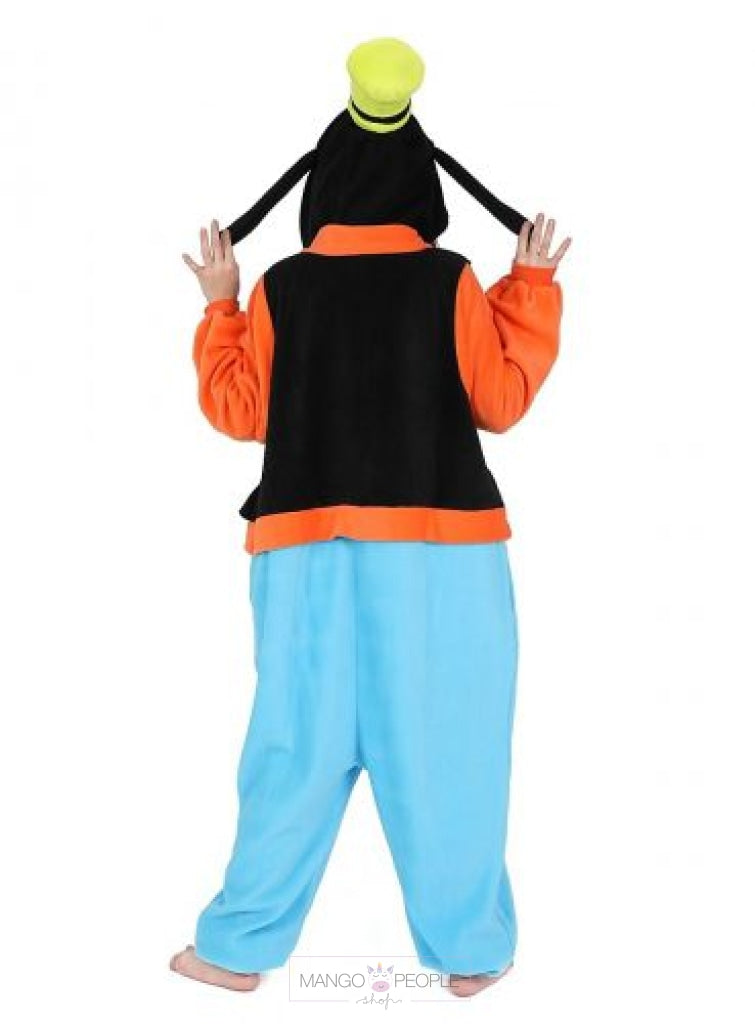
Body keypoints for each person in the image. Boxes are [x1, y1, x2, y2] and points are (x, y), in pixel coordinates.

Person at [171, 37, 570, 999]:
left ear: (322, 191)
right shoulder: (450, 281)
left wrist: (222, 307)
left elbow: (239, 413)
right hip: (441, 550)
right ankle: (470, 951)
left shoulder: (283, 287)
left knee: (292, 746)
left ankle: (236, 948)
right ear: (421, 191)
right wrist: (528, 287)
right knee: (447, 745)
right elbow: (499, 400)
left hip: (303, 548)